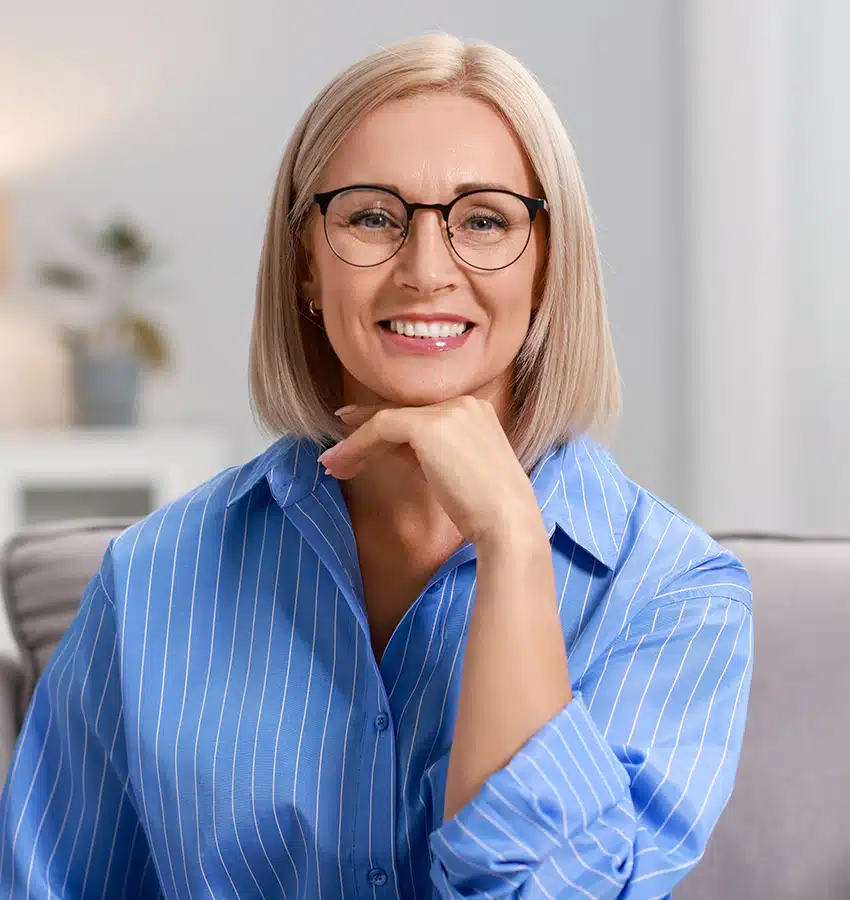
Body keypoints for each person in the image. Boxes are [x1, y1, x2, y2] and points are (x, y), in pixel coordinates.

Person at [0, 33, 753, 900]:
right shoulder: (150, 579)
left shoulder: (675, 596)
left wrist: (512, 541)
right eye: (370, 217)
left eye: (483, 220)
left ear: (547, 268)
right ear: (306, 267)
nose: (427, 270)